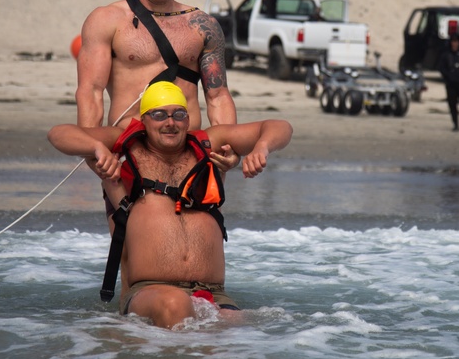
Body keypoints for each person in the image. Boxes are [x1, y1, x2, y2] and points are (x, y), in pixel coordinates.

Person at [48, 81, 293, 329]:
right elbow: (58, 134)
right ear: (144, 120)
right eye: (159, 115)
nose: (170, 123)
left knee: (245, 331)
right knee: (175, 305)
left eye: (179, 114)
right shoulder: (125, 145)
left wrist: (262, 147)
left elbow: (279, 127)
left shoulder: (209, 143)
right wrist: (97, 147)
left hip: (214, 294)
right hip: (151, 293)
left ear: (187, 121)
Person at [76, 0, 237, 133]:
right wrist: (93, 146)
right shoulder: (107, 20)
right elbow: (90, 92)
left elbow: (219, 96)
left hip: (186, 149)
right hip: (130, 146)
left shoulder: (202, 25)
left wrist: (228, 146)